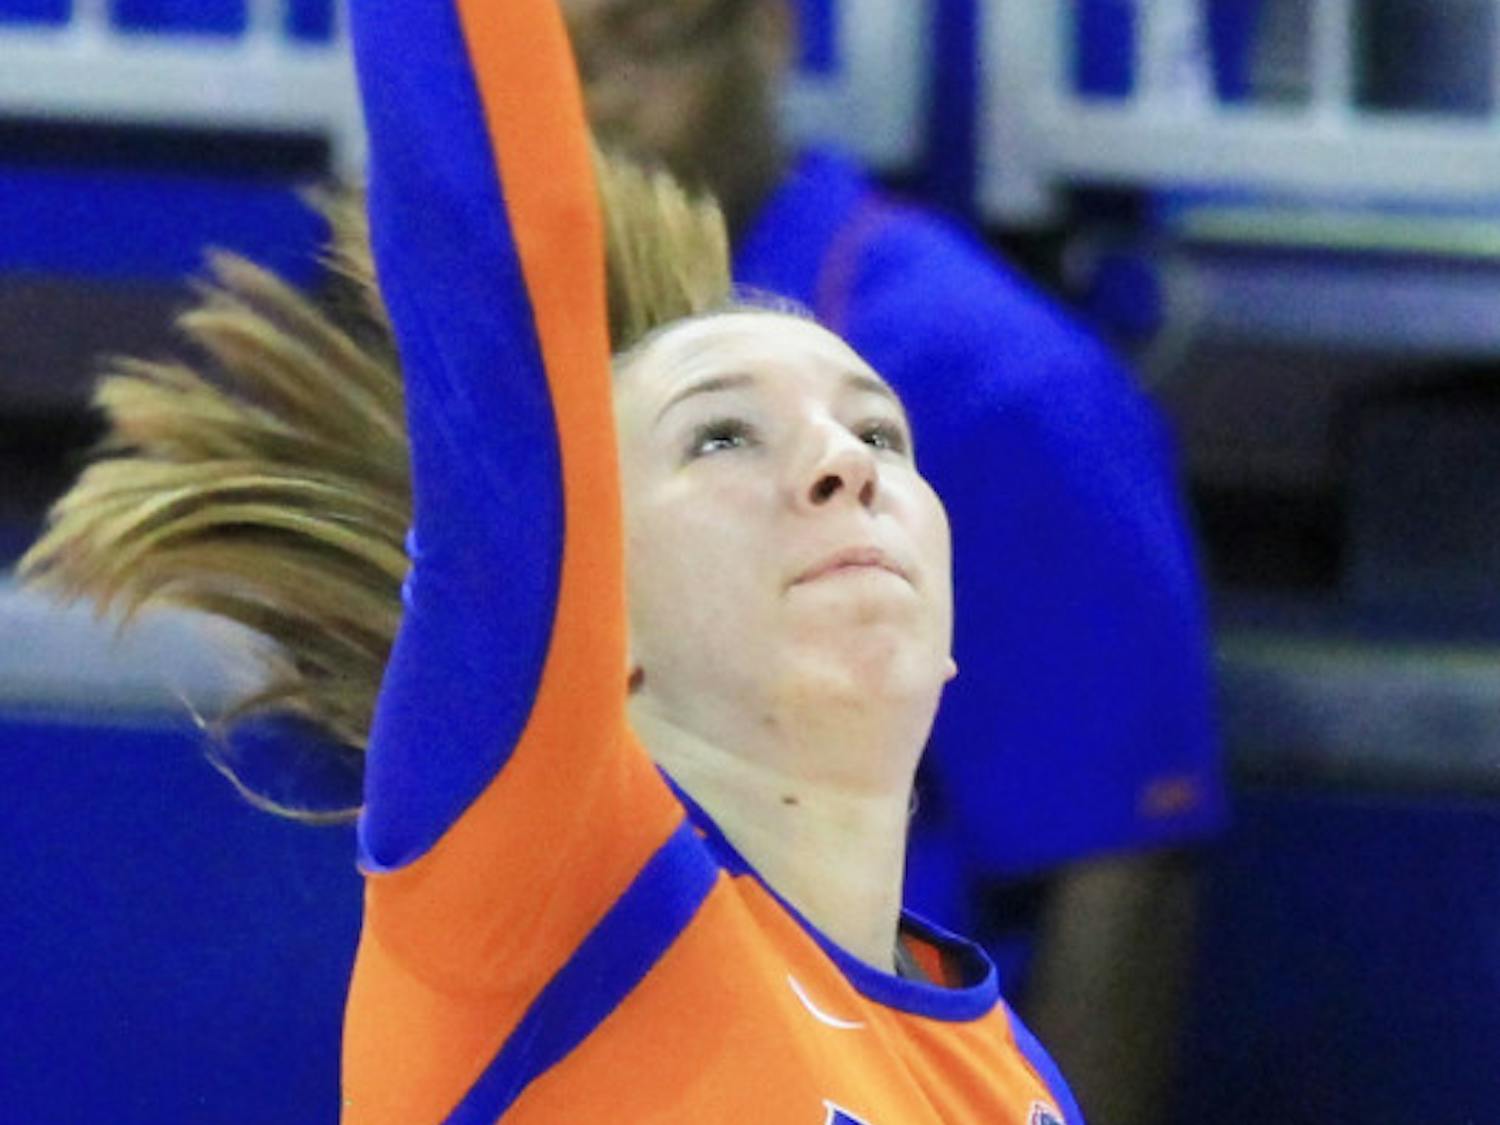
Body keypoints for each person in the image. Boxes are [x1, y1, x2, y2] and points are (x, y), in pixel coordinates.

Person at [24, 1, 1084, 1121]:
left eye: (881, 432)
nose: (846, 463)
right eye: (723, 435)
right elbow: (494, 260)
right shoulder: (552, 906)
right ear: (590, 609)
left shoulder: (1014, 1083)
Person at [559, 3, 1227, 1122]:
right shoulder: (513, 352)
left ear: (768, 31)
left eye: (641, 45)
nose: (593, 103)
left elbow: (1125, 870)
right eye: (551, 60)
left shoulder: (999, 382)